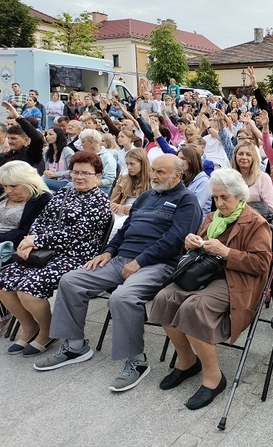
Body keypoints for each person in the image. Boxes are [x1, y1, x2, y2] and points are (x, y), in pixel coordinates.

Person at [33, 154, 203, 392]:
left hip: (158, 264)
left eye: (160, 172)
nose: (153, 175)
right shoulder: (145, 197)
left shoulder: (187, 200)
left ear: (177, 175)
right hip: (121, 259)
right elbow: (125, 230)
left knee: (122, 297)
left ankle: (136, 361)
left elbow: (175, 240)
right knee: (71, 281)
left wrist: (140, 261)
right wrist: (109, 251)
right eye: (153, 170)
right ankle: (75, 345)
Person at [149, 168, 272, 410]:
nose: (219, 203)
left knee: (195, 307)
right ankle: (187, 361)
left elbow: (261, 265)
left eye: (225, 197)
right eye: (216, 197)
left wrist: (226, 252)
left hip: (235, 280)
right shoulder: (213, 217)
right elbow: (195, 248)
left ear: (239, 196)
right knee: (164, 297)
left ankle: (213, 378)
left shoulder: (256, 223)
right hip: (202, 274)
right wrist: (189, 241)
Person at [0, 152, 111, 357]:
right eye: (75, 172)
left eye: (86, 173)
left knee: (28, 288)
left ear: (97, 175)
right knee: (4, 281)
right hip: (46, 252)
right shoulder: (64, 193)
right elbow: (42, 220)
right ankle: (29, 327)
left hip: (76, 256)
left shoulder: (100, 201)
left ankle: (47, 331)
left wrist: (37, 241)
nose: (79, 177)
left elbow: (77, 233)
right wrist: (29, 241)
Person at [0, 162, 52, 249]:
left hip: (11, 246)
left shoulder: (42, 200)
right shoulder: (3, 195)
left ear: (28, 182)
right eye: (5, 186)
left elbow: (27, 231)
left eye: (13, 186)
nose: (8, 190)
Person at [109, 148, 151, 237]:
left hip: (136, 214)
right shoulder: (124, 178)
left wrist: (125, 209)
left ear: (142, 163)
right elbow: (113, 200)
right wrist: (114, 206)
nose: (129, 167)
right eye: (127, 164)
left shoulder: (152, 181)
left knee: (115, 227)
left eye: (132, 164)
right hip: (119, 211)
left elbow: (148, 208)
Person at [231, 141, 273, 219]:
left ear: (254, 157)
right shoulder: (229, 178)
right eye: (240, 154)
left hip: (256, 221)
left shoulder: (263, 178)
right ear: (235, 156)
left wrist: (243, 211)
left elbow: (270, 209)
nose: (244, 157)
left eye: (248, 154)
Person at [0, 102, 44, 169]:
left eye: (14, 138)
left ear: (26, 140)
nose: (10, 141)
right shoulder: (4, 156)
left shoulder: (30, 155)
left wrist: (18, 118)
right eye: (8, 138)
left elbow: (37, 139)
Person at [77, 129, 117, 194]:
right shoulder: (85, 155)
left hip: (102, 189)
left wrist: (89, 184)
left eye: (83, 142)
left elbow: (110, 179)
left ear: (91, 143)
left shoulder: (107, 157)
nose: (81, 145)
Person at [178, 146, 212, 217]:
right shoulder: (179, 178)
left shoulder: (204, 181)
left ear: (192, 161)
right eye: (178, 158)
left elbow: (195, 207)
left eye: (183, 159)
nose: (179, 161)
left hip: (197, 222)